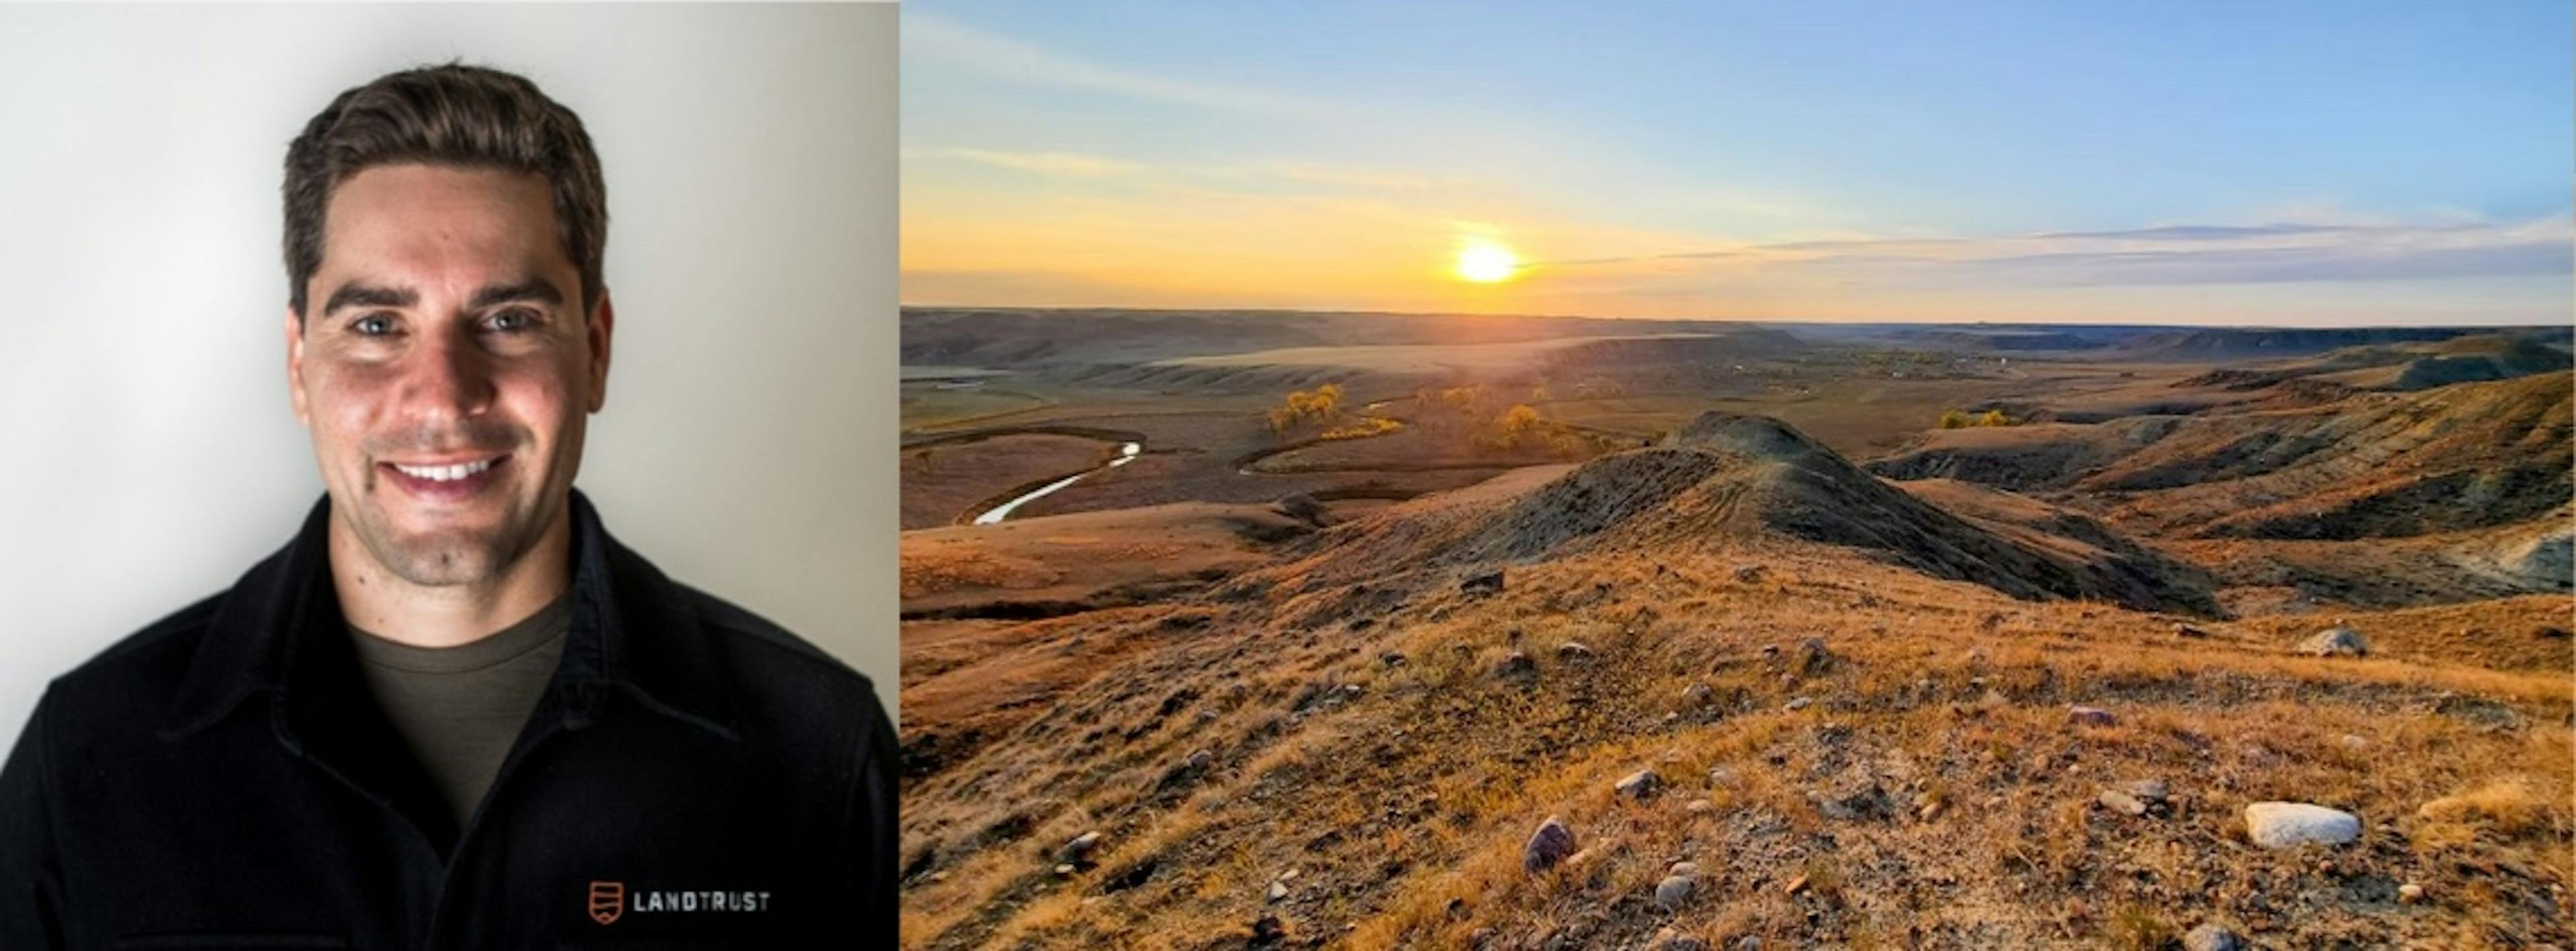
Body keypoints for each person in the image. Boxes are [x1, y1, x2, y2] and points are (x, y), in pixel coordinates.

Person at [0, 64, 897, 948]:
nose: (442, 397)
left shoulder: (819, 753)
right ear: (298, 363)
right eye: (377, 325)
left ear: (595, 350)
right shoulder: (85, 761)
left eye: (508, 319)